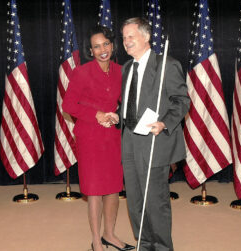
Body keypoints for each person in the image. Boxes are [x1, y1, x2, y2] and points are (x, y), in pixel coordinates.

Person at [120, 17, 190, 251]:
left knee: (155, 201)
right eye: (124, 37)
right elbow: (130, 104)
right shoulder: (127, 68)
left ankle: (162, 247)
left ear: (146, 37)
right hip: (129, 139)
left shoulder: (166, 65)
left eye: (131, 36)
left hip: (153, 139)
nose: (126, 42)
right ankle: (144, 244)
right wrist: (116, 115)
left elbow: (181, 101)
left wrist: (164, 123)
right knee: (135, 200)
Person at [62, 26, 134, 251]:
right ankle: (96, 240)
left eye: (106, 44)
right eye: (96, 46)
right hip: (90, 137)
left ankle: (109, 235)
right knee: (94, 190)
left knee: (113, 188)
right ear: (90, 50)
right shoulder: (82, 72)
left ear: (112, 46)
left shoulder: (121, 70)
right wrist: (96, 114)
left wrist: (117, 115)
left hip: (113, 137)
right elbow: (68, 105)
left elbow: (128, 102)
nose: (102, 50)